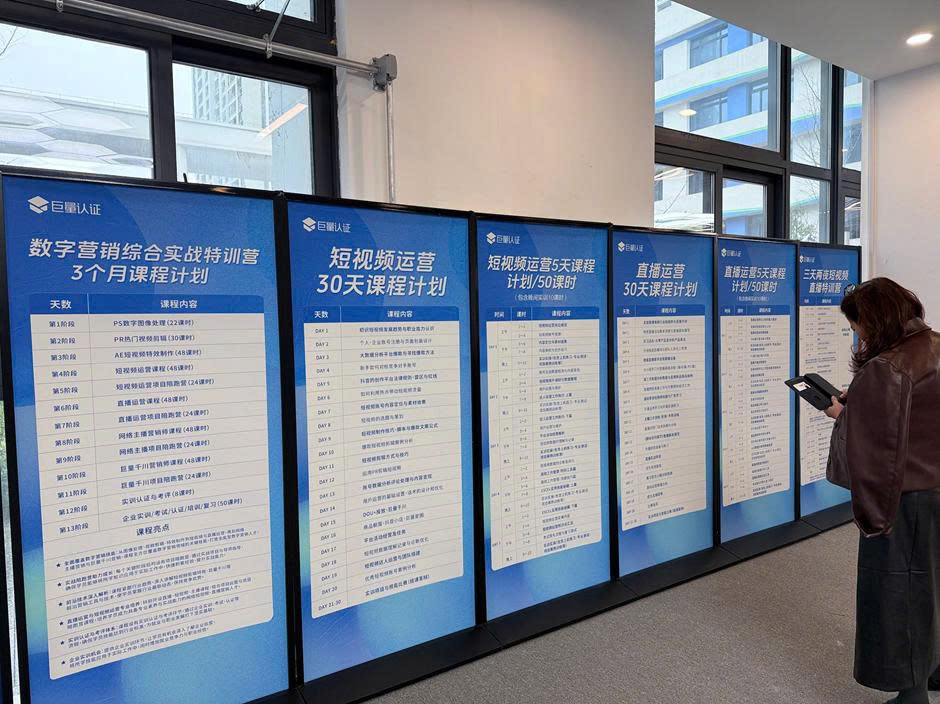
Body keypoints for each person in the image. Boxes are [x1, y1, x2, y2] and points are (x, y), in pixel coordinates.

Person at [825, 277, 940, 704]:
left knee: (904, 592)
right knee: (934, 585)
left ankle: (912, 697)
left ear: (874, 320)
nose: (857, 335)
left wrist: (842, 414)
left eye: (857, 326)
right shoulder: (935, 345)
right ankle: (934, 671)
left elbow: (878, 444)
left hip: (906, 496)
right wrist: (861, 401)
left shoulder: (887, 367)